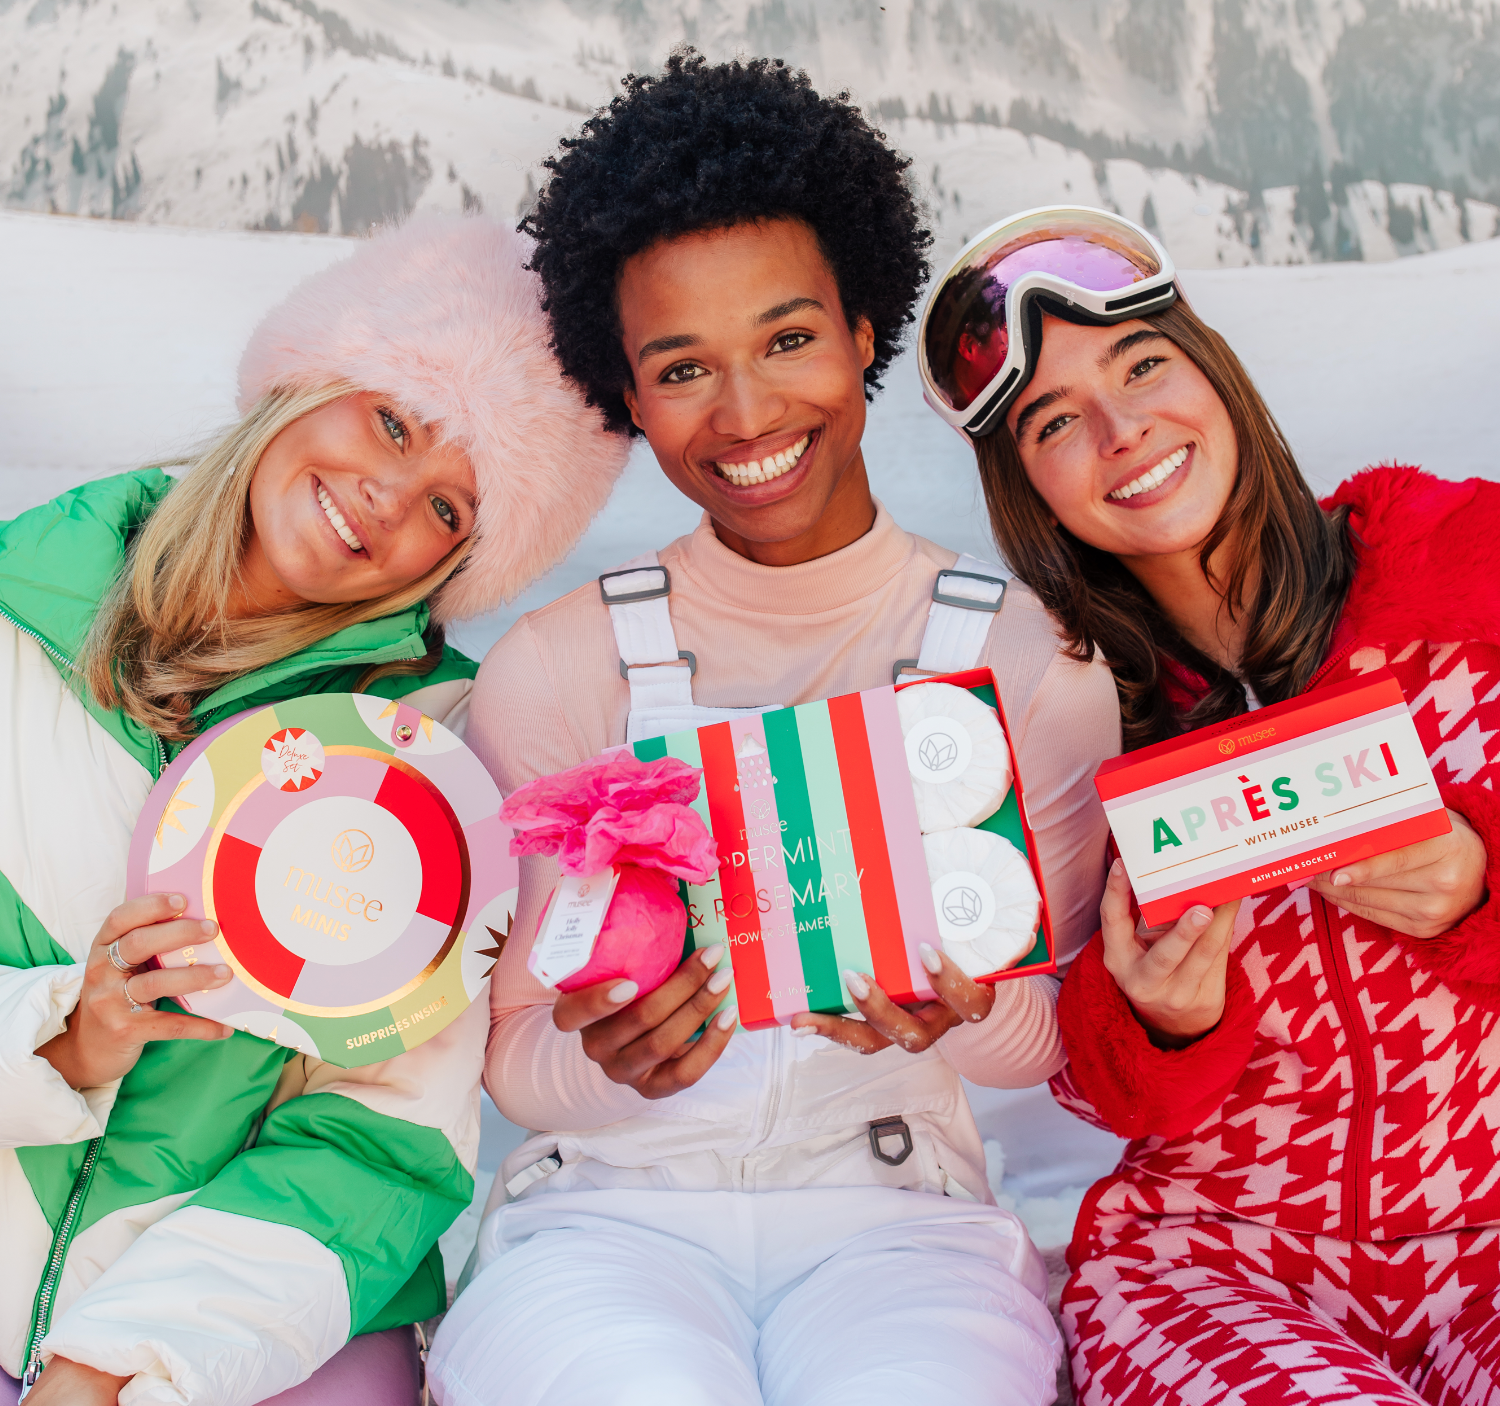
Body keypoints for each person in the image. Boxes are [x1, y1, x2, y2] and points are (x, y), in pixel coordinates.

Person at [430, 53, 1120, 1406]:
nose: (745, 416)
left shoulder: (1032, 660)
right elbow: (515, 1053)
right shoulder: (561, 666)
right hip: (600, 1219)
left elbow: (1056, 1042)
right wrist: (601, 1056)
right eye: (683, 367)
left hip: (900, 1222)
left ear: (867, 327)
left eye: (789, 337)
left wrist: (957, 1016)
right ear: (626, 393)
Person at [3, 216, 628, 1406]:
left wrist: (111, 1369)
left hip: (264, 1331)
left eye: (453, 509)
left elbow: (383, 1141)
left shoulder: (435, 759)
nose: (387, 498)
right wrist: (60, 1035)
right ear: (304, 377)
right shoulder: (13, 616)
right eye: (392, 419)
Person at [919, 204, 1500, 1405]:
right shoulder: (1058, 715)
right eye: (1056, 422)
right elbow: (1081, 1079)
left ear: (1212, 372)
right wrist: (1162, 1020)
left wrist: (1478, 888)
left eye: (1142, 365)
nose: (1123, 429)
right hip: (1216, 1259)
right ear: (1029, 486)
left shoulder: (1465, 569)